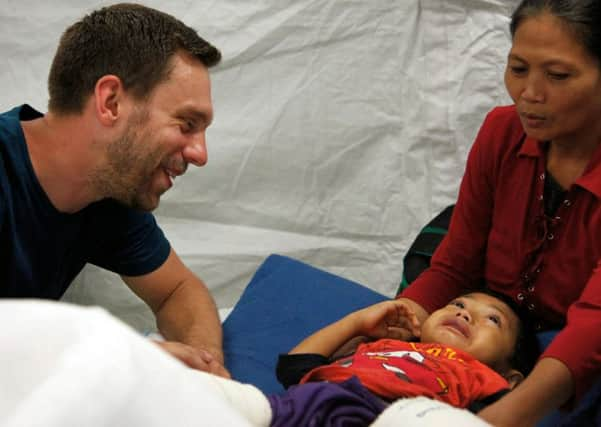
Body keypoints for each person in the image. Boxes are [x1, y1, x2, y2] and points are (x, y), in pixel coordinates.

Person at [395, 0, 601, 425]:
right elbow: (454, 266)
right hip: (499, 332)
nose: (530, 94)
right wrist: (394, 336)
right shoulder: (501, 133)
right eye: (519, 68)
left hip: (574, 350)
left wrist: (494, 421)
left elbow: (593, 328)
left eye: (558, 75)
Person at [0, 3, 228, 377]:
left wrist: (204, 369)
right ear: (111, 102)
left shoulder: (108, 191)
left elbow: (178, 291)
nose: (200, 154)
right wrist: (123, 358)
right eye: (187, 123)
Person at [266, 291, 539, 426]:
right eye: (458, 304)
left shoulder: (482, 377)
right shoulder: (384, 346)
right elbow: (294, 367)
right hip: (309, 400)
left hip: (382, 414)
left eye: (492, 319)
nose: (464, 314)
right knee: (232, 399)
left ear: (511, 380)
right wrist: (358, 322)